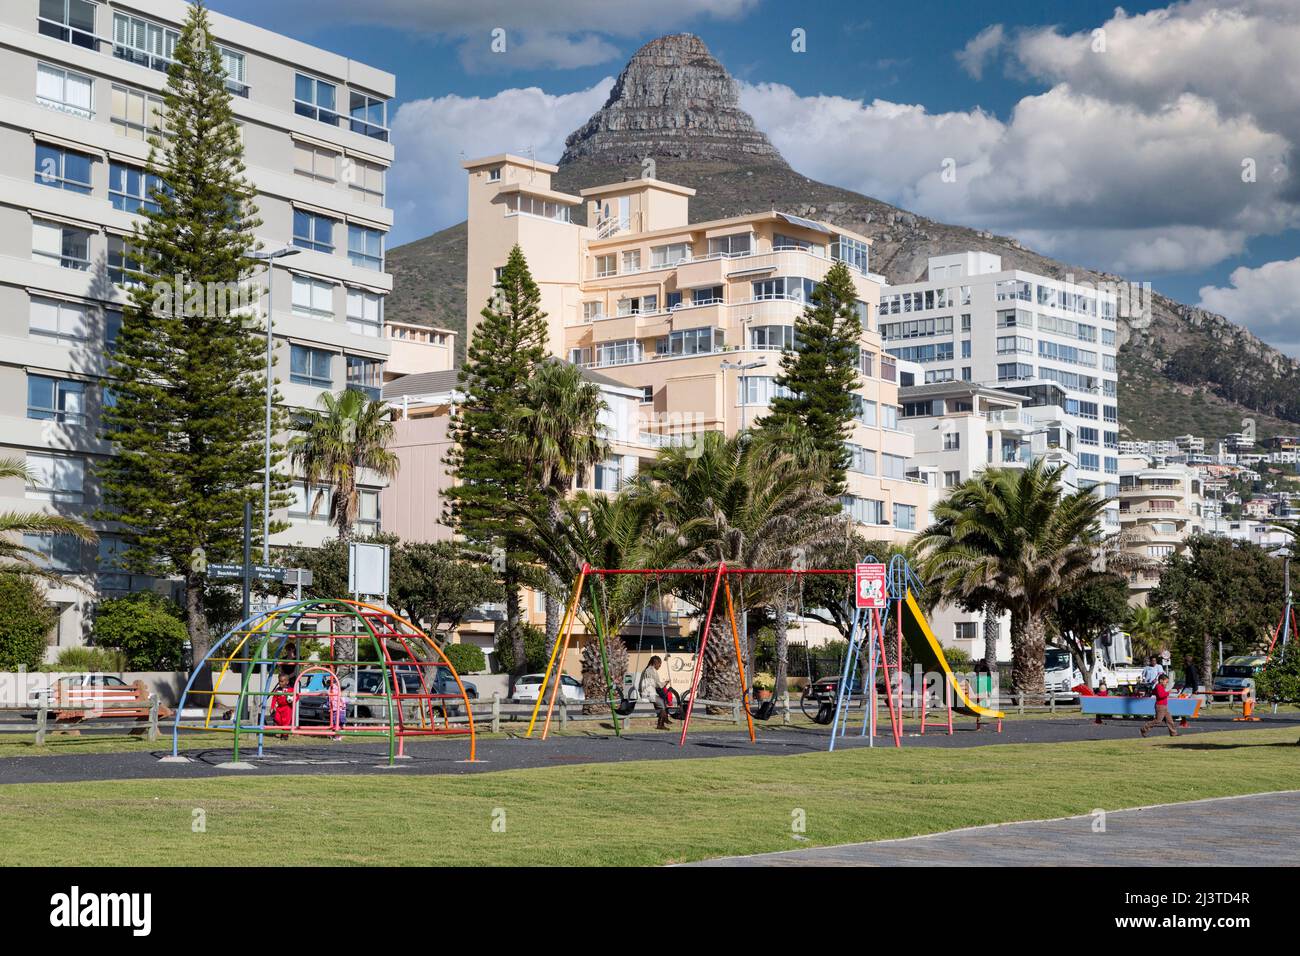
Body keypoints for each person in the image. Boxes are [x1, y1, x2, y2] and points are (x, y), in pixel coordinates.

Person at [639, 655, 670, 730]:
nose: (659, 666)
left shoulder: (649, 669)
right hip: (648, 693)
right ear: (655, 663)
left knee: (661, 703)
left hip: (649, 692)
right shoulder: (650, 670)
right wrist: (664, 683)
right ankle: (661, 724)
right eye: (659, 664)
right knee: (662, 704)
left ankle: (664, 719)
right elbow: (656, 684)